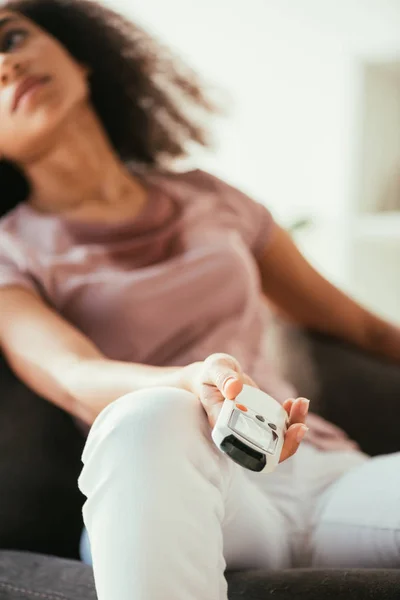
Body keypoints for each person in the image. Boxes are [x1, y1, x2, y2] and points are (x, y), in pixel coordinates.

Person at [0, 1, 399, 598]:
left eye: (12, 37)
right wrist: (190, 383)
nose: (6, 66)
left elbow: (361, 329)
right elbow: (70, 373)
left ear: (83, 58)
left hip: (323, 473)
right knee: (148, 415)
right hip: (172, 479)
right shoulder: (11, 249)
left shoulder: (213, 199)